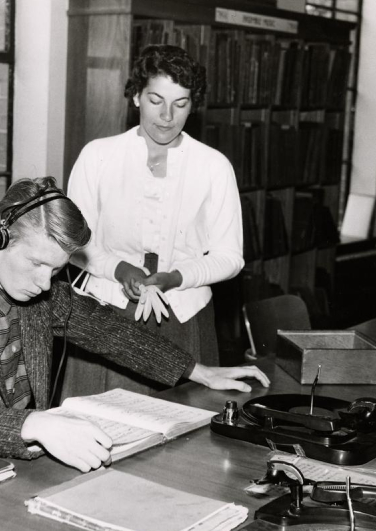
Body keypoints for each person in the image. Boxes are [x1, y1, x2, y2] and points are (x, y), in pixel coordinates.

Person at [0, 177, 268, 473]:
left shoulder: (35, 291)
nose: (46, 283)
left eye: (57, 269)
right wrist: (35, 424)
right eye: (36, 264)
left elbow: (106, 329)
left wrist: (197, 371)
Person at [64, 44, 243, 398]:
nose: (167, 116)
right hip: (108, 314)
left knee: (186, 432)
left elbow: (230, 257)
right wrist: (121, 271)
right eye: (155, 100)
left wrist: (176, 277)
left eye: (181, 104)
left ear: (193, 105)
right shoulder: (97, 156)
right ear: (135, 97)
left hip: (185, 317)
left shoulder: (214, 166)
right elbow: (74, 243)